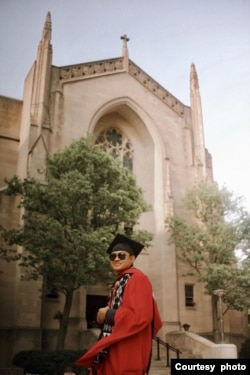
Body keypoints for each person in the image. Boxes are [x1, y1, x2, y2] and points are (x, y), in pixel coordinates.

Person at [76, 233, 162, 375]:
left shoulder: (138, 279)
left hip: (127, 354)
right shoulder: (121, 281)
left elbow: (140, 317)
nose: (116, 258)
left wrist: (108, 313)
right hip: (114, 349)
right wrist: (104, 317)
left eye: (121, 255)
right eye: (112, 256)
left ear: (132, 258)